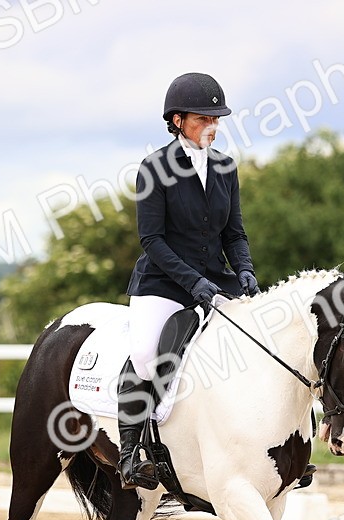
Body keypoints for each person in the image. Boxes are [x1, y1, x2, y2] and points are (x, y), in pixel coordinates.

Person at [118, 72, 260, 490]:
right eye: (203, 119)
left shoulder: (224, 167)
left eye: (217, 119)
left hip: (216, 279)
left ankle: (276, 448)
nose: (213, 127)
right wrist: (193, 283)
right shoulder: (154, 169)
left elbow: (234, 233)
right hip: (162, 281)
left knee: (262, 341)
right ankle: (131, 452)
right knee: (146, 355)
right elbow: (152, 240)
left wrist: (245, 270)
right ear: (178, 120)